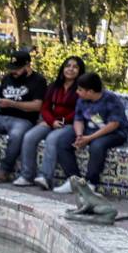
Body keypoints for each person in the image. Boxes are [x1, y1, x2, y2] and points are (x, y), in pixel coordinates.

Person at [0, 50, 45, 181]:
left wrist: (12, 103)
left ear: (27, 66)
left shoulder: (38, 80)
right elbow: (0, 97)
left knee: (16, 136)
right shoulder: (7, 78)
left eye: (17, 69)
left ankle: (5, 170)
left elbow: (37, 106)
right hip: (2, 117)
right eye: (12, 68)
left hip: (24, 120)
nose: (13, 72)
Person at [50, 71, 128, 191]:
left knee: (97, 145)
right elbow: (78, 119)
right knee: (63, 141)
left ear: (90, 92)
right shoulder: (82, 100)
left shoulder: (110, 99)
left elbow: (113, 124)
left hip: (114, 133)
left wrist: (89, 139)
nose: (77, 92)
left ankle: (91, 183)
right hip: (89, 130)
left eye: (80, 90)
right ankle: (74, 181)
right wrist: (80, 135)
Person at [15, 55, 83, 188]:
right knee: (29, 136)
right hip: (52, 121)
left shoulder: (81, 88)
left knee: (52, 138)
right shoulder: (54, 86)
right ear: (63, 68)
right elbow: (45, 107)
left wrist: (62, 121)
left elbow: (79, 110)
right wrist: (52, 122)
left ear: (80, 71)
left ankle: (46, 178)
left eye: (75, 67)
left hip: (71, 124)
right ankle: (27, 176)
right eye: (68, 66)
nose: (71, 69)